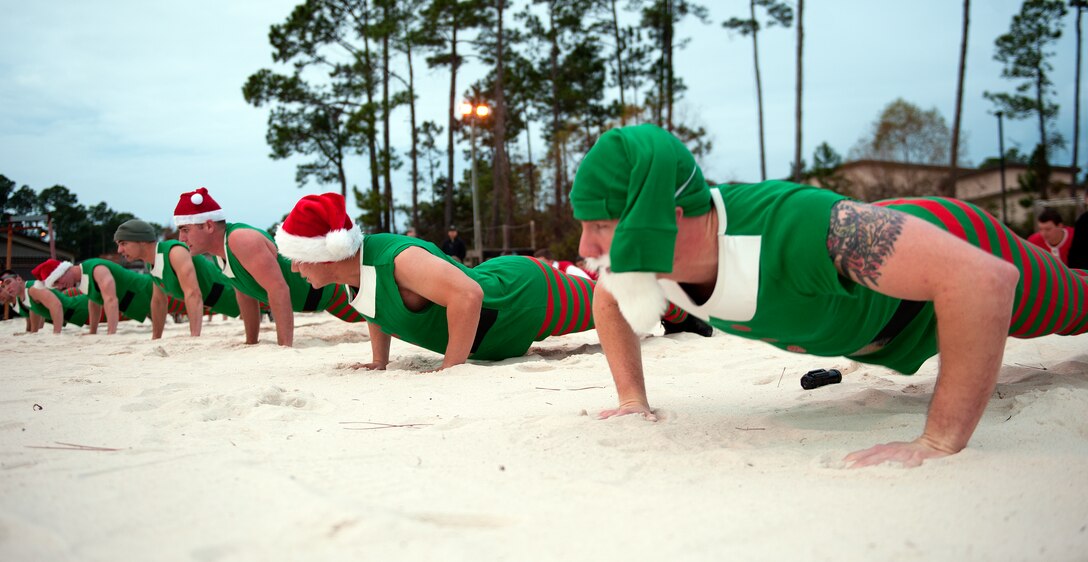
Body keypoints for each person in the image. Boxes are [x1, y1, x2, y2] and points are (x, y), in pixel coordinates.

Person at [570, 124, 1088, 468]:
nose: (585, 247)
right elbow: (608, 298)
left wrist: (939, 440)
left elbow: (981, 280)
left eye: (602, 226)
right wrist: (632, 400)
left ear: (667, 219)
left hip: (955, 249)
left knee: (1080, 307)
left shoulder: (796, 227)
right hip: (887, 313)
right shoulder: (652, 259)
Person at [274, 193, 707, 370]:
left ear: (325, 255)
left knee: (609, 299)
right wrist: (378, 362)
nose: (295, 269)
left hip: (520, 298)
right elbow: (378, 309)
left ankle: (678, 309)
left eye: (298, 259)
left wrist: (452, 367)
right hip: (504, 324)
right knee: (606, 299)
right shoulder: (354, 272)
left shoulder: (397, 258)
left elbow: (468, 293)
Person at [172, 187, 363, 347]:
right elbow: (245, 294)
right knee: (375, 318)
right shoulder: (219, 254)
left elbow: (278, 289)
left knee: (382, 315)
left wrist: (284, 347)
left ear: (208, 225)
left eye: (186, 230)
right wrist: (251, 342)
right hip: (319, 298)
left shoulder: (240, 239)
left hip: (333, 290)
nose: (181, 238)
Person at [114, 218, 241, 338]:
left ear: (142, 241)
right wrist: (156, 338)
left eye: (124, 243)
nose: (119, 250)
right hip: (226, 303)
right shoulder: (151, 262)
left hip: (239, 292)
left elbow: (193, 293)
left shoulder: (174, 252)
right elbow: (159, 301)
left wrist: (194, 337)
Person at [36, 257, 154, 335]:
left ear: (63, 270)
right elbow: (94, 302)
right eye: (55, 285)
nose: (60, 287)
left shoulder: (96, 269)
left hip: (151, 290)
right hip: (146, 302)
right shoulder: (85, 279)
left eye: (57, 281)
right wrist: (93, 332)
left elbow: (111, 300)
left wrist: (111, 333)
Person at [0, 269, 91, 333]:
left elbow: (56, 305)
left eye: (8, 283)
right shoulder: (24, 296)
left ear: (18, 279)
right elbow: (35, 313)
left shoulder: (33, 289)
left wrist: (56, 334)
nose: (7, 288)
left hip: (84, 309)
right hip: (81, 316)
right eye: (3, 287)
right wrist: (32, 332)